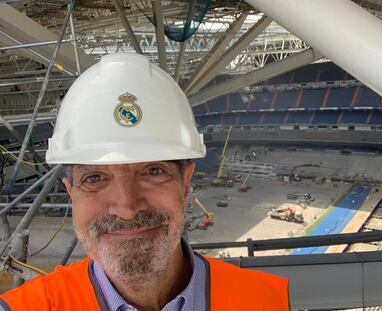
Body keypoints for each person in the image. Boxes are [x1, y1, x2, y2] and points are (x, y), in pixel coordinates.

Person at [0, 54, 290, 311]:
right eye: (95, 178)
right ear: (71, 193)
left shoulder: (266, 301)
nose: (127, 208)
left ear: (185, 181)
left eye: (152, 171)